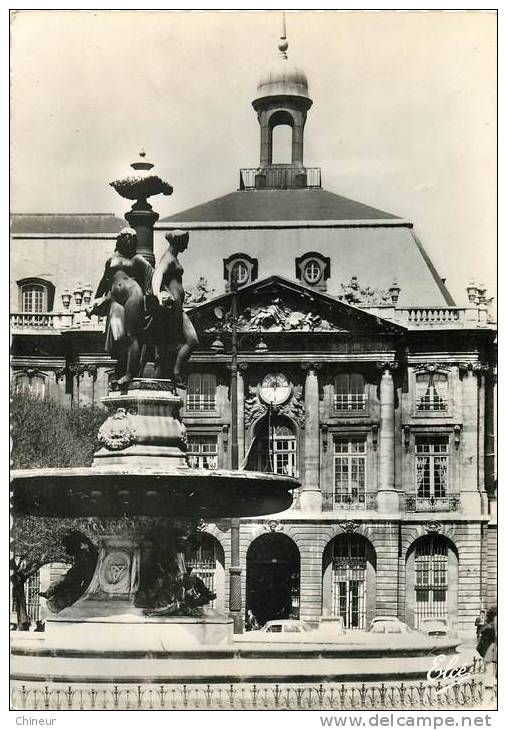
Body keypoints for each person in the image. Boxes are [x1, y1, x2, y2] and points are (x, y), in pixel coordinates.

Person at [86, 227, 153, 388]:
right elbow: (104, 281)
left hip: (133, 295)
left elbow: (151, 272)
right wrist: (96, 300)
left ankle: (129, 374)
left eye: (132, 238)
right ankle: (123, 369)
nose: (128, 240)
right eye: (126, 237)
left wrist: (151, 294)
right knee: (118, 336)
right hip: (115, 299)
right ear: (120, 240)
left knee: (131, 335)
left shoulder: (137, 259)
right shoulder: (111, 259)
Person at [150, 230, 198, 386]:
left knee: (192, 340)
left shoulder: (173, 258)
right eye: (186, 241)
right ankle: (174, 374)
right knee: (169, 347)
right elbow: (157, 275)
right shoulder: (168, 258)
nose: (187, 246)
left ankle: (176, 370)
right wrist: (158, 294)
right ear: (179, 241)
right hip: (170, 308)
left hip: (178, 306)